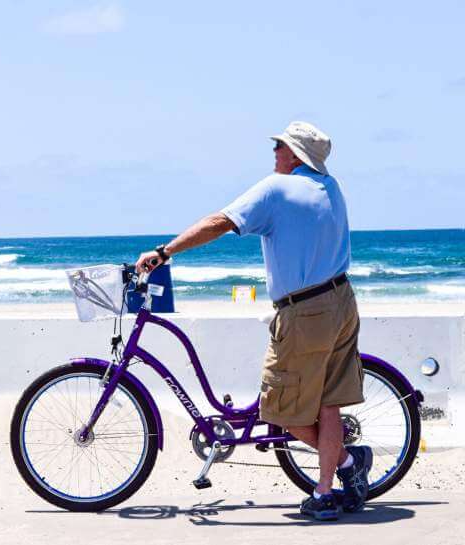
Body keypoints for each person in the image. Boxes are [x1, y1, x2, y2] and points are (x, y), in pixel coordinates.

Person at [135, 121, 372, 521]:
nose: (275, 152)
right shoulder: (331, 188)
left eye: (279, 146)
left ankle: (347, 464)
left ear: (295, 154)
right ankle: (328, 488)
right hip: (342, 302)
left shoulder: (276, 189)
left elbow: (220, 222)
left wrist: (166, 250)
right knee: (328, 404)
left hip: (305, 313)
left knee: (277, 411)